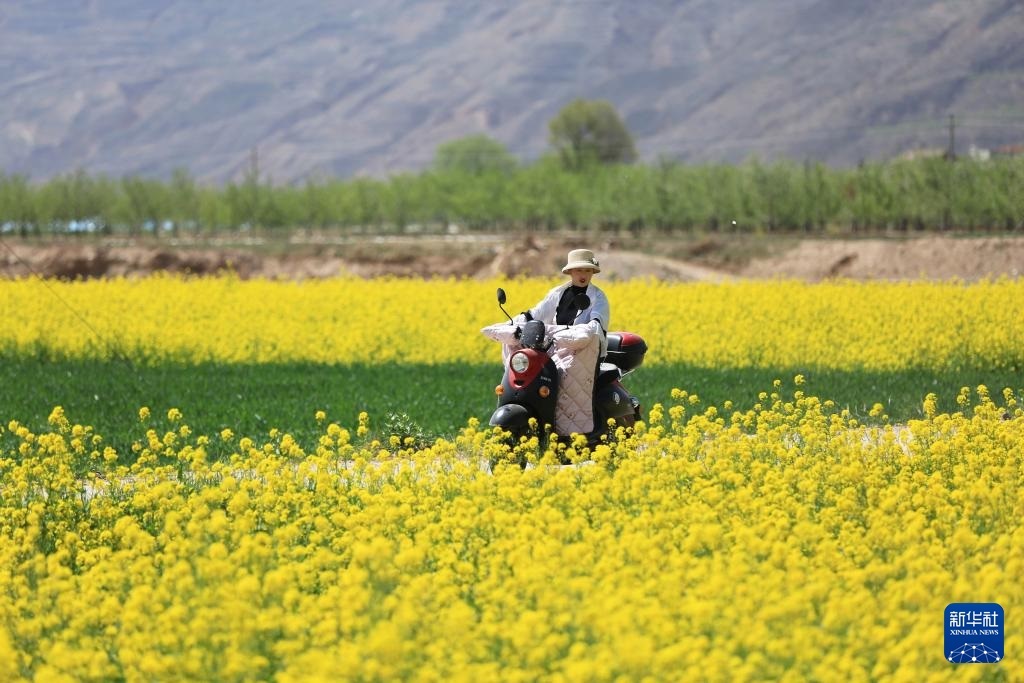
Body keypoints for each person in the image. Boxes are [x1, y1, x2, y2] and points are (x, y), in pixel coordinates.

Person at [521, 248, 610, 357]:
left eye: (588, 270)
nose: (584, 274)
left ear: (592, 272)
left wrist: (577, 334)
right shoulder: (557, 293)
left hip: (584, 356)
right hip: (554, 353)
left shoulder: (599, 297)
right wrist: (516, 324)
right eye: (579, 270)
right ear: (570, 271)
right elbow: (537, 313)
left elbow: (596, 326)